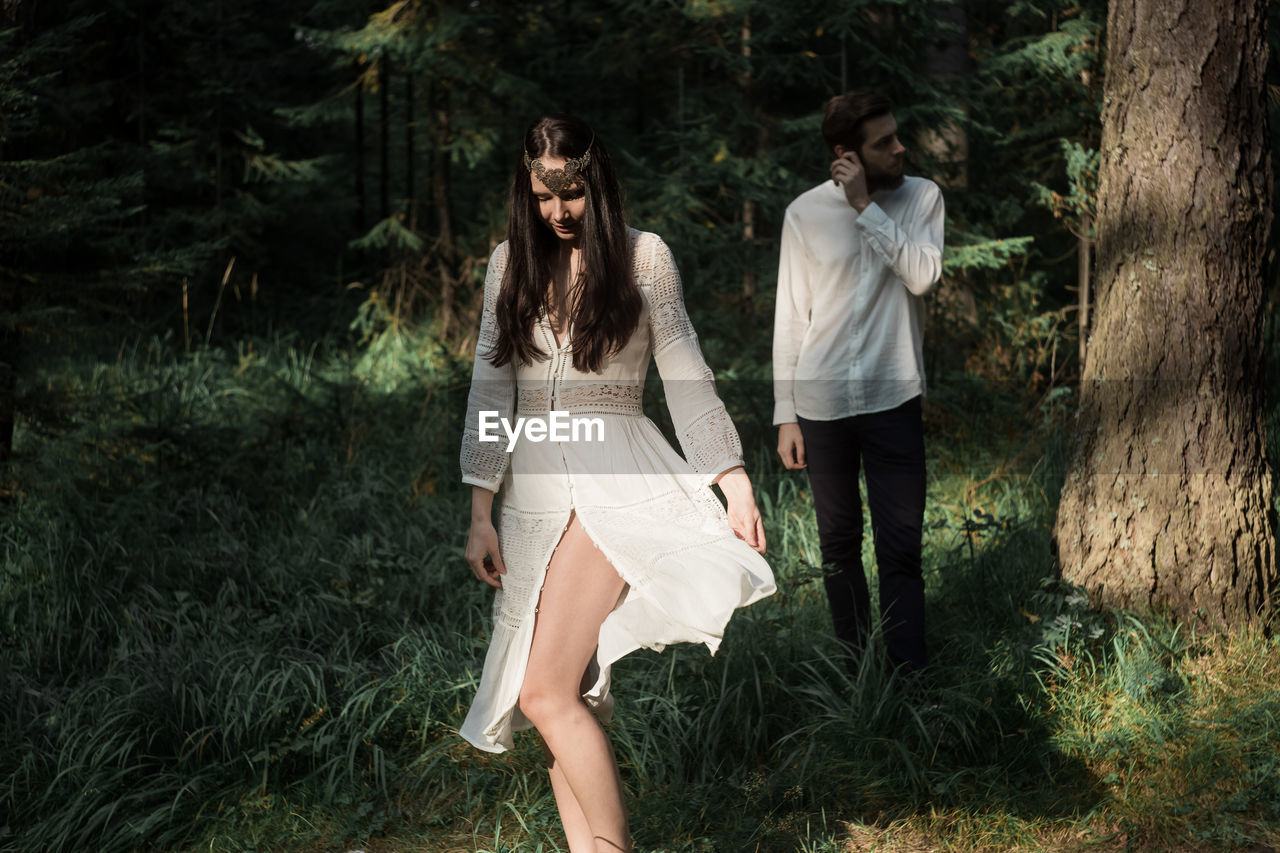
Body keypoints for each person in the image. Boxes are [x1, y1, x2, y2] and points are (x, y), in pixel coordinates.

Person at [459, 114, 775, 853]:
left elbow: (688, 378)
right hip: (532, 491)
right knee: (562, 703)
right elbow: (488, 390)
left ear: (595, 183)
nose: (558, 212)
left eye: (570, 194)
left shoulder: (645, 258)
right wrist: (481, 511)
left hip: (617, 479)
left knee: (543, 692)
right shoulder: (509, 264)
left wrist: (734, 482)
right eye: (542, 197)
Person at [772, 90, 943, 675]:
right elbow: (792, 316)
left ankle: (907, 675)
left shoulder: (922, 197)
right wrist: (785, 413)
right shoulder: (804, 213)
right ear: (846, 153)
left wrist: (866, 206)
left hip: (893, 399)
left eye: (897, 136)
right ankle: (855, 670)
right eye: (884, 142)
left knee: (901, 546)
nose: (901, 148)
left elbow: (921, 278)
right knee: (838, 547)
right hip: (822, 407)